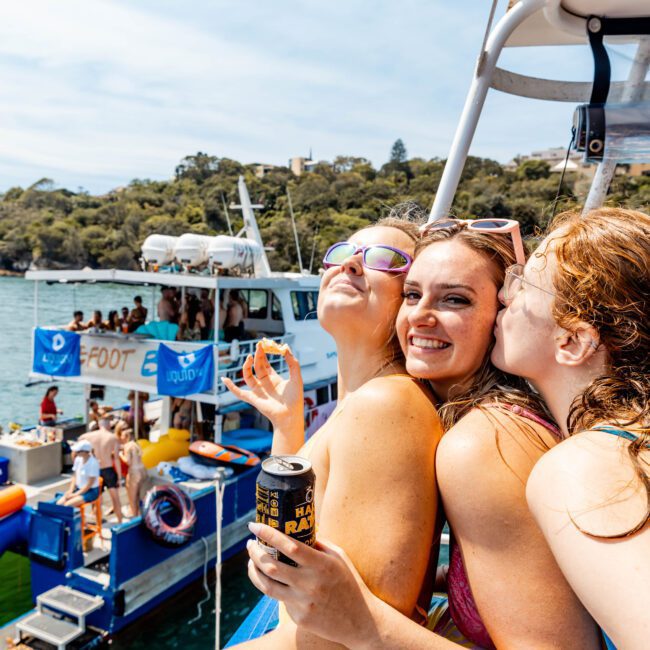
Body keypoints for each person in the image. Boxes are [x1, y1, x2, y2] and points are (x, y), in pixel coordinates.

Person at [242, 219, 600, 649]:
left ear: (499, 317)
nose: (422, 314)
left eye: (455, 299)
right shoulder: (452, 422)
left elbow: (334, 632)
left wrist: (368, 624)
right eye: (414, 293)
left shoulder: (480, 437)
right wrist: (287, 427)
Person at [224, 216, 443, 649]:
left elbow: (334, 637)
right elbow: (304, 547)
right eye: (342, 252)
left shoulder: (385, 408)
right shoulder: (361, 407)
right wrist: (288, 427)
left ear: (413, 298)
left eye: (384, 259)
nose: (352, 265)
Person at [491, 207, 650, 649]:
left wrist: (365, 626)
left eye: (523, 284)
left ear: (573, 341)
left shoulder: (585, 467)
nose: (503, 296)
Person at [80, 418, 123, 524]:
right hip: (108, 469)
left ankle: (97, 521)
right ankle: (120, 521)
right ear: (108, 425)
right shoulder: (112, 437)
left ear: (99, 425)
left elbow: (78, 444)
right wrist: (119, 476)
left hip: (95, 469)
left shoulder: (87, 436)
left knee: (96, 497)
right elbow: (116, 458)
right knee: (115, 498)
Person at [57, 440, 100, 506]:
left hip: (91, 491)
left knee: (67, 505)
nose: (75, 453)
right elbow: (75, 476)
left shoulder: (93, 463)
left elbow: (89, 484)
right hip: (78, 489)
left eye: (78, 451)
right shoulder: (78, 459)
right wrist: (70, 490)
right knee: (59, 503)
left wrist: (75, 495)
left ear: (85, 452)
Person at [118, 428, 147, 517]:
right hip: (143, 470)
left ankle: (135, 517)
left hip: (134, 472)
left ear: (127, 436)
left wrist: (120, 455)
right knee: (141, 496)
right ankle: (141, 514)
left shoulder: (128, 446)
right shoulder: (136, 444)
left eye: (122, 436)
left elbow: (128, 461)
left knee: (133, 499)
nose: (121, 437)